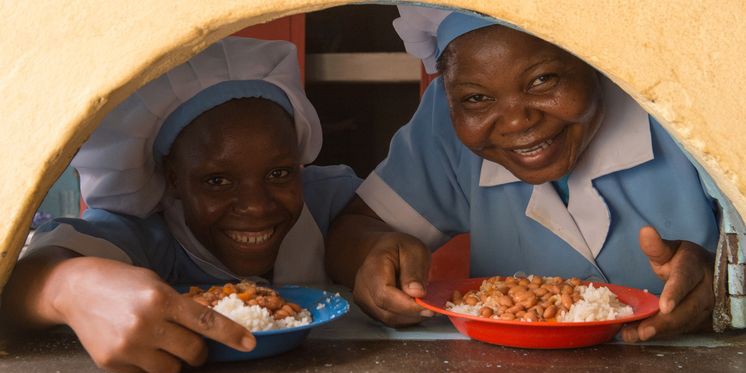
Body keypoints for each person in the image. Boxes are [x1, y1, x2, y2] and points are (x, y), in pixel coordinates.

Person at [325, 6, 719, 343]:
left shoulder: (686, 110)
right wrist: (376, 257)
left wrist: (725, 284)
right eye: (477, 98)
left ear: (593, 61)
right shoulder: (444, 124)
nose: (516, 121)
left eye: (543, 79)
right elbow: (354, 231)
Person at [1, 37, 360, 373]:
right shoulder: (141, 235)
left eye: (279, 173)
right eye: (217, 180)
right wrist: (70, 288)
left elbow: (372, 223)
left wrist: (375, 240)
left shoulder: (330, 199)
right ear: (172, 178)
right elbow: (21, 280)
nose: (255, 206)